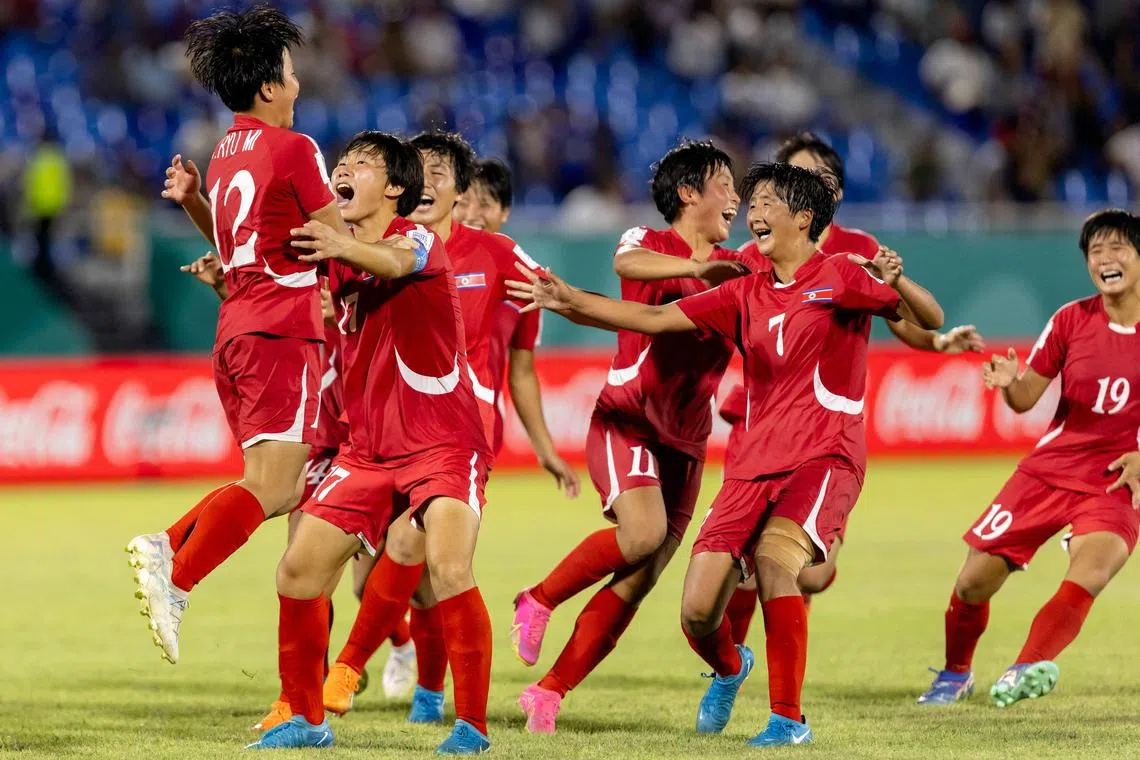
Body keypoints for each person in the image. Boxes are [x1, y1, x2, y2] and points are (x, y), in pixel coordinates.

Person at [507, 162, 944, 747]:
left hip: (823, 454)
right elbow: (655, 317)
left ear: (803, 218)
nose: (753, 211)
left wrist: (901, 281)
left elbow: (928, 318)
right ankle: (732, 667)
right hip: (749, 463)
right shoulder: (743, 288)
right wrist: (571, 303)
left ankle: (788, 720)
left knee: (775, 562)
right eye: (750, 199)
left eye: (765, 202)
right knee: (695, 612)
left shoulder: (841, 274)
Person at [320, 132, 579, 727]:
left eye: (442, 174)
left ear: (461, 193)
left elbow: (543, 317)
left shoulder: (490, 251)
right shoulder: (373, 242)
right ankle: (400, 671)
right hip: (379, 433)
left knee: (424, 557)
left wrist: (593, 307)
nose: (430, 183)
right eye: (422, 171)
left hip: (456, 432)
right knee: (374, 580)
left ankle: (388, 680)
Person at [247, 130, 493, 754]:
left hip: (443, 443)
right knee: (298, 572)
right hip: (368, 450)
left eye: (362, 163)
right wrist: (199, 207)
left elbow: (392, 262)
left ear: (394, 188)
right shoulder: (336, 256)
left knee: (447, 565)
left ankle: (471, 729)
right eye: (342, 162)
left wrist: (335, 242)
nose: (344, 169)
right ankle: (304, 719)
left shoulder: (419, 240)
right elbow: (253, 260)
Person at [127, 6, 346, 665]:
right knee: (279, 488)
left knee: (283, 484)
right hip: (282, 332)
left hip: (238, 332)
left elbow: (233, 246)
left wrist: (195, 202)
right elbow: (341, 235)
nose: (299, 82)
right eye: (290, 71)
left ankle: (169, 552)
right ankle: (173, 563)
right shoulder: (295, 148)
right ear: (271, 88)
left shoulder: (224, 152)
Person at [509, 140, 749, 734]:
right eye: (725, 184)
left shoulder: (743, 266)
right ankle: (537, 598)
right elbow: (627, 268)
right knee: (641, 535)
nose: (736, 197)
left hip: (686, 447)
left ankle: (549, 692)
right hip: (627, 419)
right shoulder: (647, 241)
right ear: (688, 192)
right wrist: (698, 269)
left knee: (640, 579)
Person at [721, 132, 985, 643]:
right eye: (785, 179)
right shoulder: (756, 250)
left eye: (810, 177)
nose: (794, 188)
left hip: (826, 429)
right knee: (749, 557)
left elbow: (901, 316)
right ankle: (727, 667)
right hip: (762, 420)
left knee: (809, 572)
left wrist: (935, 342)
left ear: (834, 191)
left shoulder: (857, 251)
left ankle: (775, 644)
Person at [918, 209, 1140, 709]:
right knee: (973, 581)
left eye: (1117, 247)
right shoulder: (1070, 320)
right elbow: (1025, 398)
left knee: (1091, 573)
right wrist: (1009, 383)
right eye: (1095, 251)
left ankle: (1023, 668)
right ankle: (956, 673)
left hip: (1116, 479)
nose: (1105, 259)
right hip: (1052, 468)